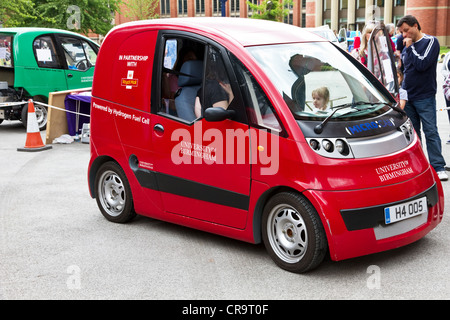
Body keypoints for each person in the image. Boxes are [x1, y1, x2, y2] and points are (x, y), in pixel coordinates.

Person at [396, 15, 448, 181]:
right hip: (408, 96)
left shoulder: (430, 42)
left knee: (430, 131)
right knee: (413, 134)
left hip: (424, 95)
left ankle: (438, 166)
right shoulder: (404, 45)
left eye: (406, 30)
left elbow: (422, 65)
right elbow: (405, 69)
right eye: (401, 32)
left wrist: (410, 48)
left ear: (416, 26)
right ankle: (419, 166)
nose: (404, 35)